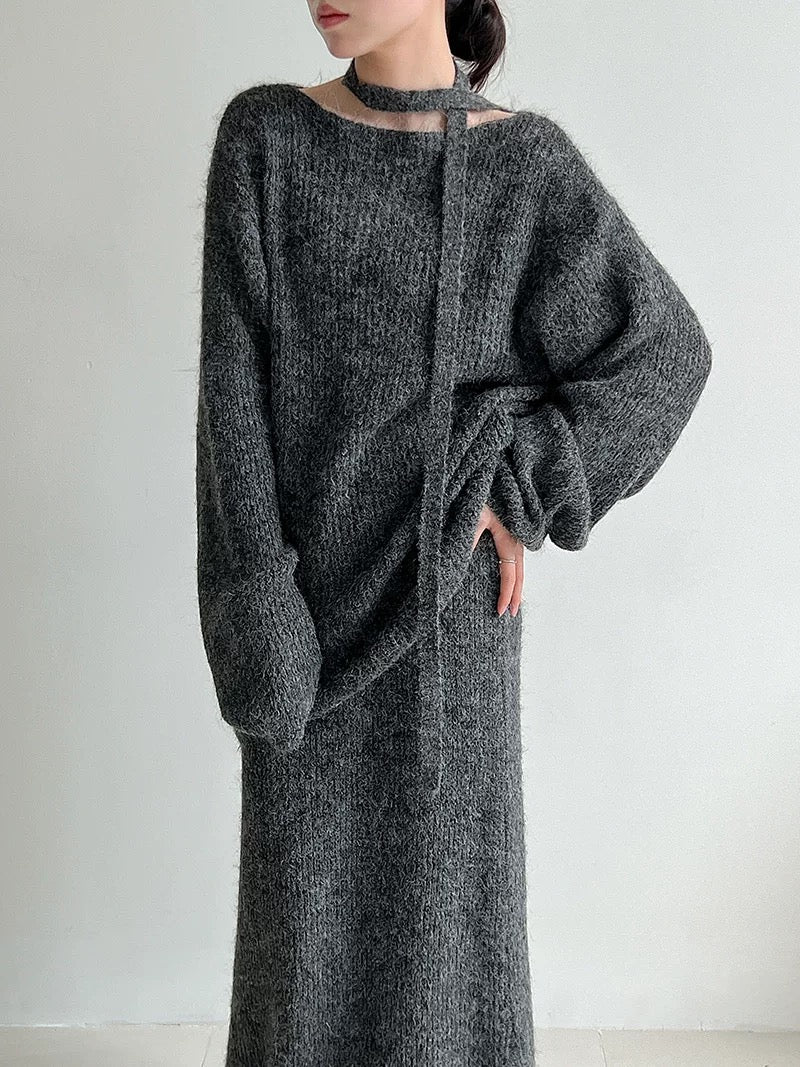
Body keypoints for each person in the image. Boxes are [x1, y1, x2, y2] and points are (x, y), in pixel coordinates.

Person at [195, 1, 713, 1064]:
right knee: (298, 969)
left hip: (451, 633)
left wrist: (520, 481)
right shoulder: (266, 139)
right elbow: (230, 410)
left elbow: (664, 354)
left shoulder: (525, 168)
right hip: (306, 635)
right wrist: (259, 620)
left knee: (444, 966)